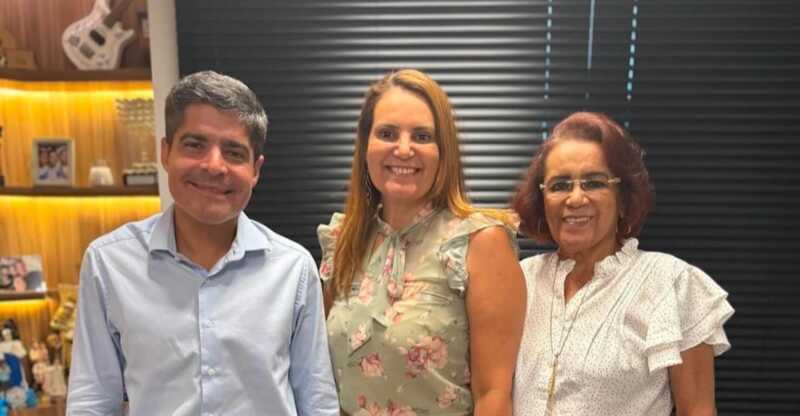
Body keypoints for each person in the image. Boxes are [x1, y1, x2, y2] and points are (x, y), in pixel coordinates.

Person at [67, 71, 339, 415]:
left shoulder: (293, 269)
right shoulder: (109, 263)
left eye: (234, 152)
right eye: (195, 145)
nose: (214, 166)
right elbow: (92, 402)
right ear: (166, 152)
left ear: (255, 169)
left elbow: (317, 402)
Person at [318, 69, 526, 415]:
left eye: (422, 136)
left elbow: (493, 394)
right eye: (387, 133)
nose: (403, 149)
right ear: (366, 146)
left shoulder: (479, 243)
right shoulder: (344, 240)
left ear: (443, 151)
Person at [510, 112, 734, 415]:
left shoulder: (671, 283)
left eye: (594, 183)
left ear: (623, 199)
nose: (575, 199)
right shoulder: (519, 280)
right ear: (542, 199)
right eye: (559, 185)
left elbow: (698, 411)